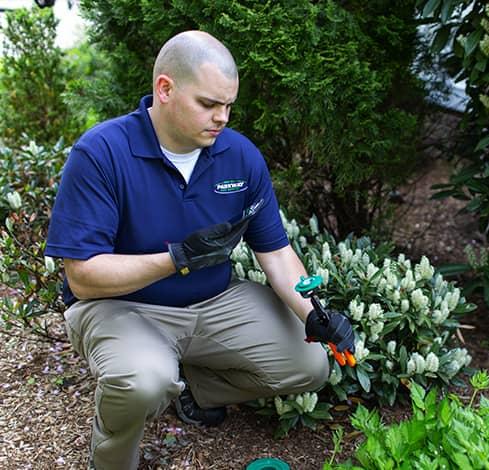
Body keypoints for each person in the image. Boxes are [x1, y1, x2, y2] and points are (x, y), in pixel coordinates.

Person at [45, 30, 355, 470]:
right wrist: (175, 258)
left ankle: (190, 390)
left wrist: (314, 315)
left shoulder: (239, 156)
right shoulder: (101, 153)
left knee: (310, 364)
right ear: (165, 89)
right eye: (208, 104)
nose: (222, 117)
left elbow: (277, 253)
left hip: (214, 302)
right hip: (120, 308)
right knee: (143, 380)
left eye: (228, 105)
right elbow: (83, 276)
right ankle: (112, 462)